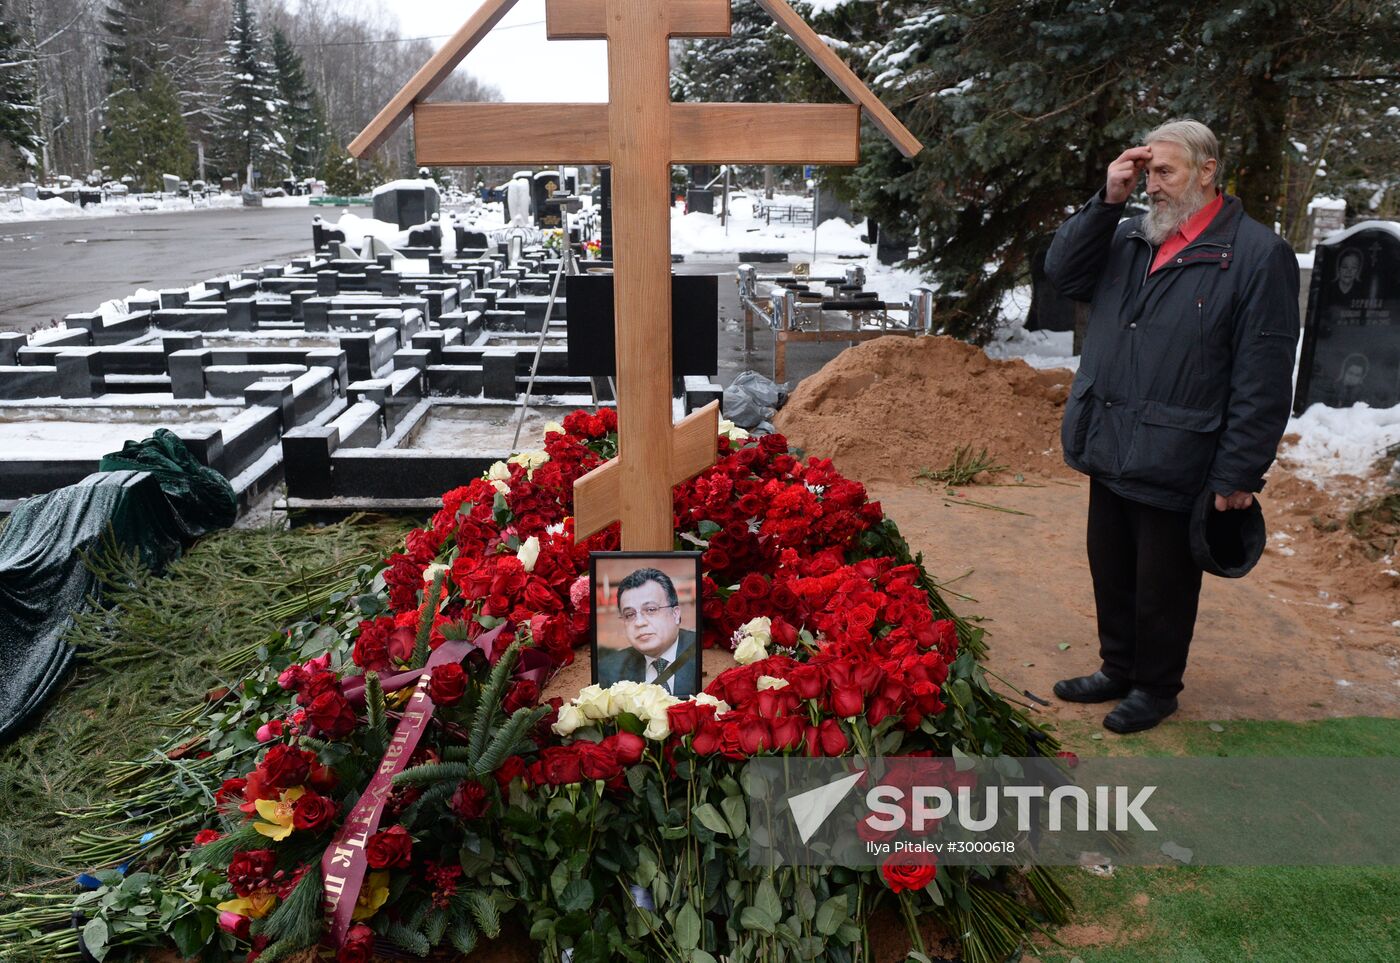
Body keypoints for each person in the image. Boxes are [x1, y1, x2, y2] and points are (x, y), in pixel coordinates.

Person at [1045, 119, 1299, 733]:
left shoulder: (1257, 255)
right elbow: (1064, 275)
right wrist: (1107, 199)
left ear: (1207, 171)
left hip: (1180, 447)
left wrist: (1240, 471)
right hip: (1110, 433)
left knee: (1163, 582)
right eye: (1146, 173)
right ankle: (1118, 667)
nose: (1151, 185)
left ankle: (1156, 688)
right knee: (1111, 566)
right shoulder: (1130, 234)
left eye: (1165, 172)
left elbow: (1264, 376)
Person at [596, 568, 699, 697]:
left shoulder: (701, 650)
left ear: (675, 614)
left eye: (650, 610)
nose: (639, 623)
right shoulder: (608, 671)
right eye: (629, 615)